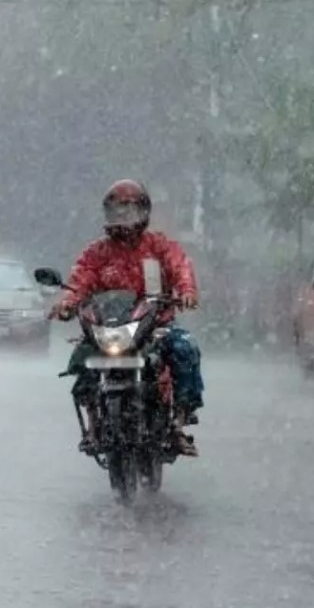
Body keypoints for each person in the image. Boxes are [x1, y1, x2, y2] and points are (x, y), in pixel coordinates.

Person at [50, 179, 205, 457]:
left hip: (155, 324)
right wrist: (67, 304)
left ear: (144, 212)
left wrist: (187, 291)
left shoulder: (159, 246)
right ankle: (94, 422)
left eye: (129, 210)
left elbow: (180, 266)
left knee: (185, 349)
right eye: (117, 211)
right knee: (82, 360)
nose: (123, 218)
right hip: (110, 329)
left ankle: (178, 422)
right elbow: (79, 281)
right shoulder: (97, 253)